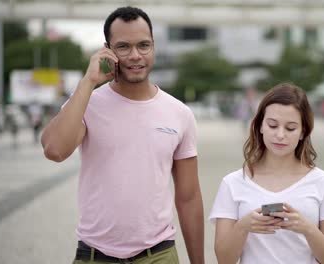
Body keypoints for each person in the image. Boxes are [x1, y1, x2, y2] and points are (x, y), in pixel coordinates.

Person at [41, 6, 204, 264]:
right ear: (107, 49)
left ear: (153, 46)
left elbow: (189, 197)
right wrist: (88, 81)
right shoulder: (87, 103)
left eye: (143, 45)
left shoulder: (179, 113)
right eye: (123, 47)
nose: (135, 56)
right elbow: (54, 150)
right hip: (95, 255)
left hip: (158, 254)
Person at [209, 83, 324, 264]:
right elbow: (224, 259)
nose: (280, 135)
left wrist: (308, 229)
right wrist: (243, 227)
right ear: (260, 126)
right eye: (273, 125)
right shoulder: (232, 183)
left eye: (290, 128)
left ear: (303, 132)